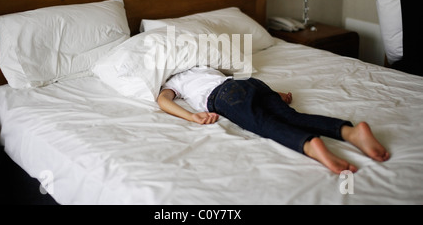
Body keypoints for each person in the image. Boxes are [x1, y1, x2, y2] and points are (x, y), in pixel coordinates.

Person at [157, 66, 390, 174]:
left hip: (224, 97)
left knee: (263, 124)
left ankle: (310, 145)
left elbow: (163, 100)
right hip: (247, 83)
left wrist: (191, 116)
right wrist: (277, 94)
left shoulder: (175, 81)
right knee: (291, 116)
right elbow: (241, 85)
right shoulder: (205, 69)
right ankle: (351, 132)